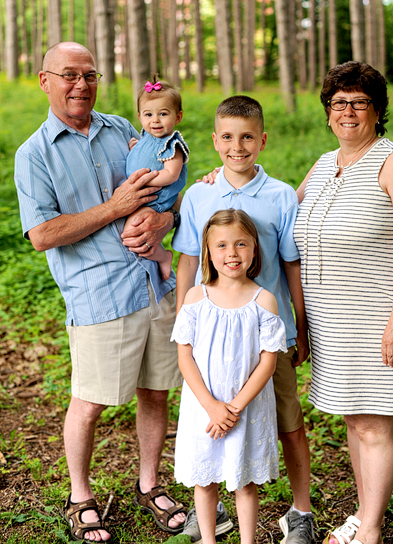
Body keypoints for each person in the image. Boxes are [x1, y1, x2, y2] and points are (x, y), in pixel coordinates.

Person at [14, 42, 186, 542]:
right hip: (98, 295)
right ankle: (80, 495)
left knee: (155, 392)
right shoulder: (35, 154)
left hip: (152, 283)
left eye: (89, 75)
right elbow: (43, 235)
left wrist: (163, 220)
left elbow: (163, 197)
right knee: (89, 402)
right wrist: (115, 208)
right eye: (69, 75)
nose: (81, 85)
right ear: (45, 80)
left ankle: (150, 483)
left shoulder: (127, 130)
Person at [294, 61, 393, 544]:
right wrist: (222, 182)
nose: (348, 111)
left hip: (380, 314)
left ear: (377, 110)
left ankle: (370, 529)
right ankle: (363, 511)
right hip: (333, 318)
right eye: (339, 103)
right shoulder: (322, 164)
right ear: (328, 111)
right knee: (355, 416)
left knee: (374, 424)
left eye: (359, 102)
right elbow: (277, 215)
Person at [172, 96, 315, 544]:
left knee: (287, 422)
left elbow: (291, 263)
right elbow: (187, 262)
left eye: (248, 137)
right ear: (215, 141)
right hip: (211, 336)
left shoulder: (280, 196)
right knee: (210, 420)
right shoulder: (199, 193)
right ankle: (212, 514)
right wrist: (183, 321)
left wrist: (301, 322)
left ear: (263, 140)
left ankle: (301, 512)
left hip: (268, 333)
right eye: (229, 137)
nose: (238, 147)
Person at [172, 209, 286, 544]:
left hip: (245, 408)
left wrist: (232, 408)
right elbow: (185, 356)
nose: (232, 253)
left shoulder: (263, 301)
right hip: (203, 406)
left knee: (244, 481)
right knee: (204, 481)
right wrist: (212, 407)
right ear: (208, 252)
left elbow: (267, 362)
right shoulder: (196, 298)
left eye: (240, 244)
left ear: (254, 249)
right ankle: (209, 539)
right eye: (221, 245)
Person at [126, 77, 189, 281]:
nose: (155, 120)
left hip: (157, 200)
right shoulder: (146, 137)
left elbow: (171, 174)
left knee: (133, 229)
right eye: (148, 114)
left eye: (163, 114)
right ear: (140, 117)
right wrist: (137, 149)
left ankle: (163, 256)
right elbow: (147, 155)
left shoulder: (172, 145)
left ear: (178, 117)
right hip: (142, 195)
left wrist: (145, 180)